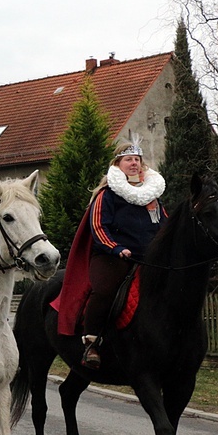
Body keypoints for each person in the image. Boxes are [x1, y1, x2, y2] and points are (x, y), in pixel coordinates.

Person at [82, 139, 167, 369]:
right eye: (129, 159)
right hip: (112, 256)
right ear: (118, 164)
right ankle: (92, 342)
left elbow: (164, 227)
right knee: (105, 291)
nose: (134, 164)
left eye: (137, 160)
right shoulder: (107, 195)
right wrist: (116, 248)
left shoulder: (151, 196)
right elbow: (99, 226)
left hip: (147, 259)